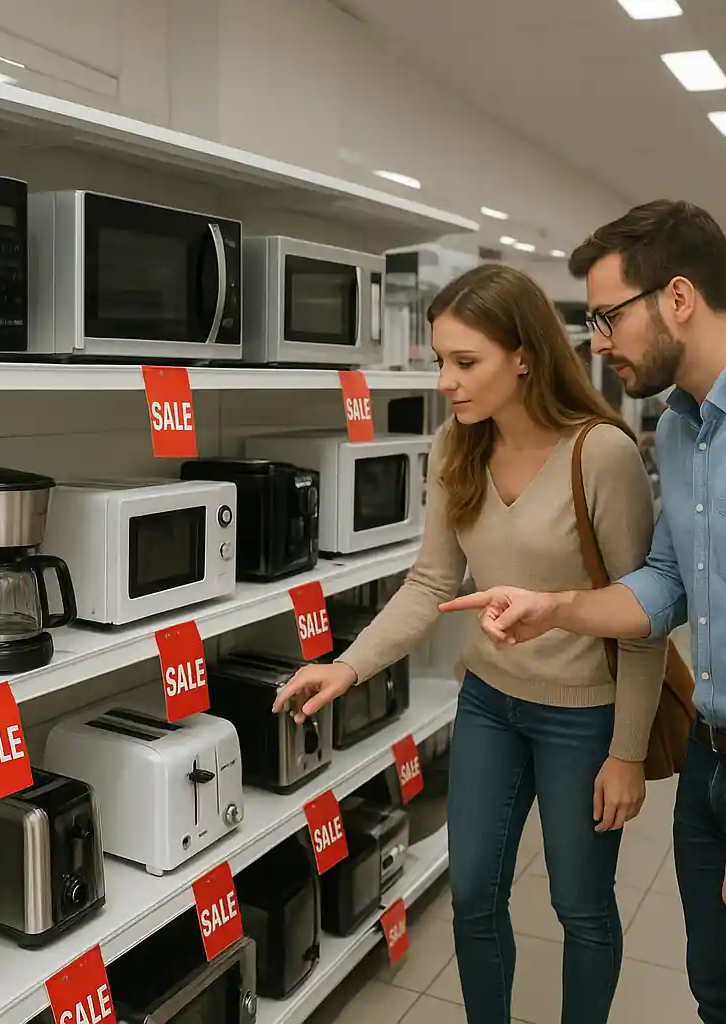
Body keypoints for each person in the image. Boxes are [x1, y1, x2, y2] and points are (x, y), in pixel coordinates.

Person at [272, 263, 667, 1024]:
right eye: (440, 363)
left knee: (579, 904)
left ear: (523, 355)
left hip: (582, 717)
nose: (448, 382)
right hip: (488, 704)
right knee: (473, 892)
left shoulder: (601, 454)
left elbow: (639, 612)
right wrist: (346, 666)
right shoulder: (455, 446)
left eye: (465, 362)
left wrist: (626, 753)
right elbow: (430, 584)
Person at [444, 200, 726, 1024]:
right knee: (719, 997)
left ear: (677, 298)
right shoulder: (681, 432)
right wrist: (557, 606)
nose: (597, 340)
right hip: (712, 767)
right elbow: (666, 584)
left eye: (607, 316)